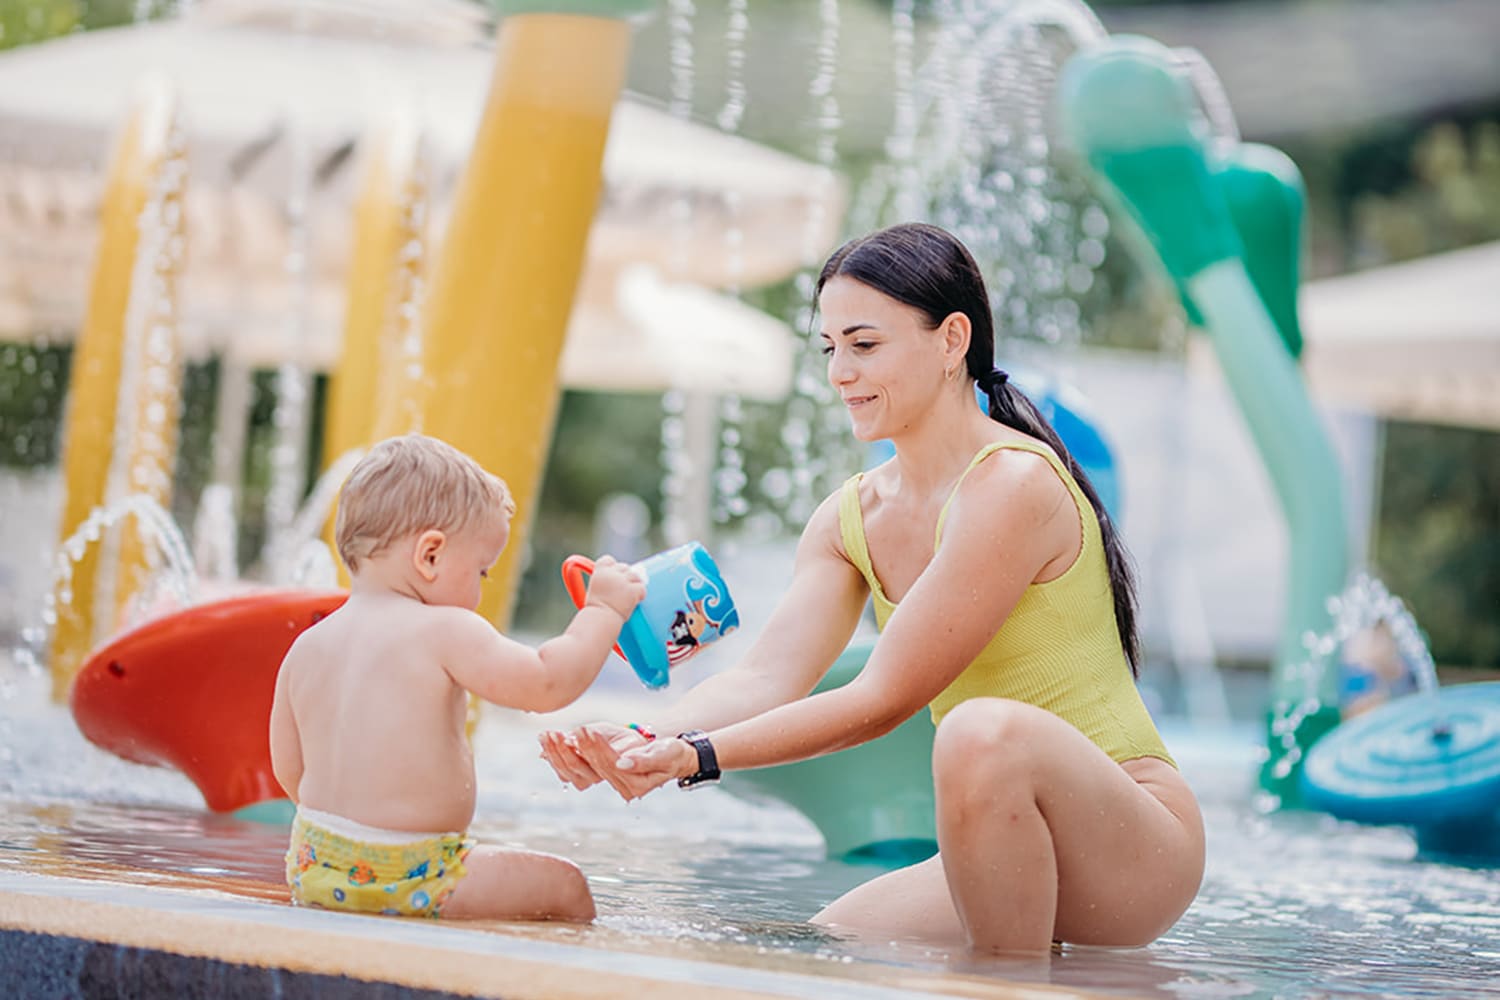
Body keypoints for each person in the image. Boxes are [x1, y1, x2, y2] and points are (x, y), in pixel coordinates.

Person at [539, 222, 1204, 954]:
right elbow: (767, 676)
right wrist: (641, 740)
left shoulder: (1013, 484)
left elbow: (882, 699)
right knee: (839, 944)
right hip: (1002, 827)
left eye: (864, 345)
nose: (839, 374)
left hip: (1131, 841)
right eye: (830, 349)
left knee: (978, 730)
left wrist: (696, 756)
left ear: (952, 341)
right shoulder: (849, 517)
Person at [270, 432, 644, 922]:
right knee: (565, 885)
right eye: (482, 572)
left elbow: (288, 769)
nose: (481, 590)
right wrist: (603, 610)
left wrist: (356, 830)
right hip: (412, 873)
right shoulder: (444, 628)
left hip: (314, 866)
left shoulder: (307, 646)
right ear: (430, 556)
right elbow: (546, 683)